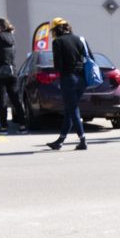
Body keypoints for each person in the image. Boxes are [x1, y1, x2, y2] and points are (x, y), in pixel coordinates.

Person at [46, 17, 93, 151]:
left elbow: (58, 65)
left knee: (72, 110)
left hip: (68, 79)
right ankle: (60, 141)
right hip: (81, 80)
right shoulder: (80, 39)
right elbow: (90, 57)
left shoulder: (58, 42)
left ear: (56, 30)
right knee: (69, 109)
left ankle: (83, 140)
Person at [0, 17, 27, 134]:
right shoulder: (12, 38)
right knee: (16, 100)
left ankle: (4, 127)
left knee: (1, 100)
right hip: (12, 71)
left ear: (0, 27)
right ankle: (22, 126)